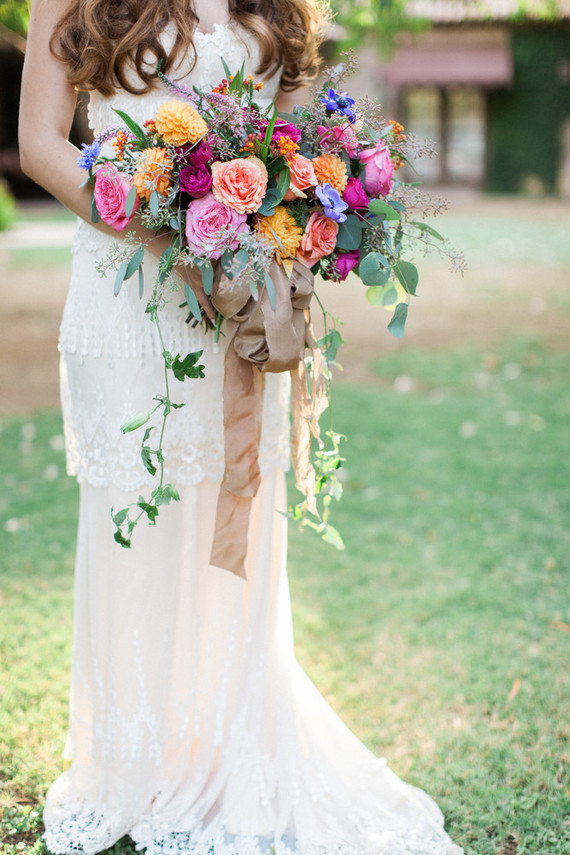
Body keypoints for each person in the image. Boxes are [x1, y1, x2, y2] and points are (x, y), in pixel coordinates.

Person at [19, 1, 463, 853]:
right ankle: (135, 760)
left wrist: (284, 220)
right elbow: (41, 141)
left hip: (235, 295)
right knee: (135, 516)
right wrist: (163, 233)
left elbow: (294, 139)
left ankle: (226, 747)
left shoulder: (276, 4)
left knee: (236, 504)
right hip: (126, 290)